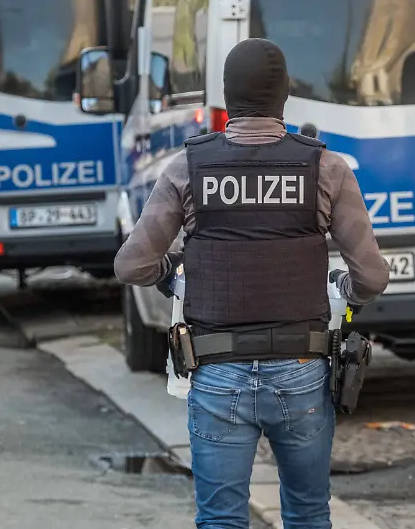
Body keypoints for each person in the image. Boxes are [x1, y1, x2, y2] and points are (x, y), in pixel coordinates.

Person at [114, 38, 390, 528]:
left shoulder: (188, 168)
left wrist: (170, 274)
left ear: (228, 94)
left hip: (217, 370)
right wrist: (346, 293)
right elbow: (372, 275)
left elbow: (131, 264)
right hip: (303, 370)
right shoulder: (326, 168)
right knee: (307, 514)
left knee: (221, 519)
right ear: (285, 94)